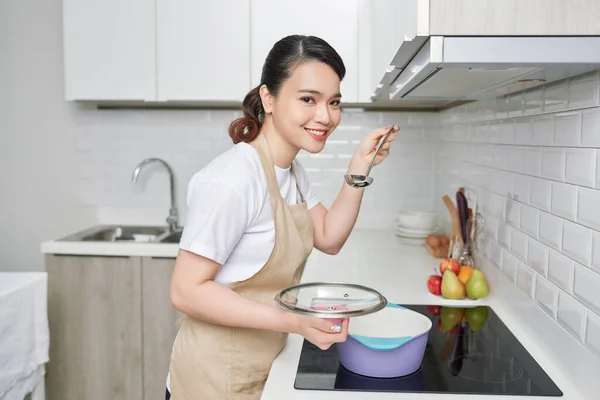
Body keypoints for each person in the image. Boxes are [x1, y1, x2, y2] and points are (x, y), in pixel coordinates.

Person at [165, 34, 398, 400]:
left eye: (333, 102)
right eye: (308, 99)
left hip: (261, 367)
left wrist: (358, 169)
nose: (325, 116)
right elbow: (185, 291)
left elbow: (328, 237)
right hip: (213, 380)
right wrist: (296, 322)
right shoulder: (234, 178)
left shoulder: (290, 171)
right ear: (268, 98)